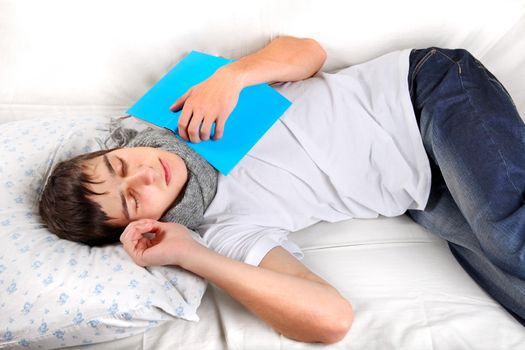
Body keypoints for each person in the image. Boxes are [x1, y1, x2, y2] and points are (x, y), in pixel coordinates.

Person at [38, 36, 525, 343]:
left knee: (510, 242)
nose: (145, 174)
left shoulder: (169, 110)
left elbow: (308, 52)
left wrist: (233, 76)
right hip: (426, 189)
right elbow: (330, 320)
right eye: (132, 199)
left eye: (121, 164)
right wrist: (191, 256)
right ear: (145, 223)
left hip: (427, 92)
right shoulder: (221, 231)